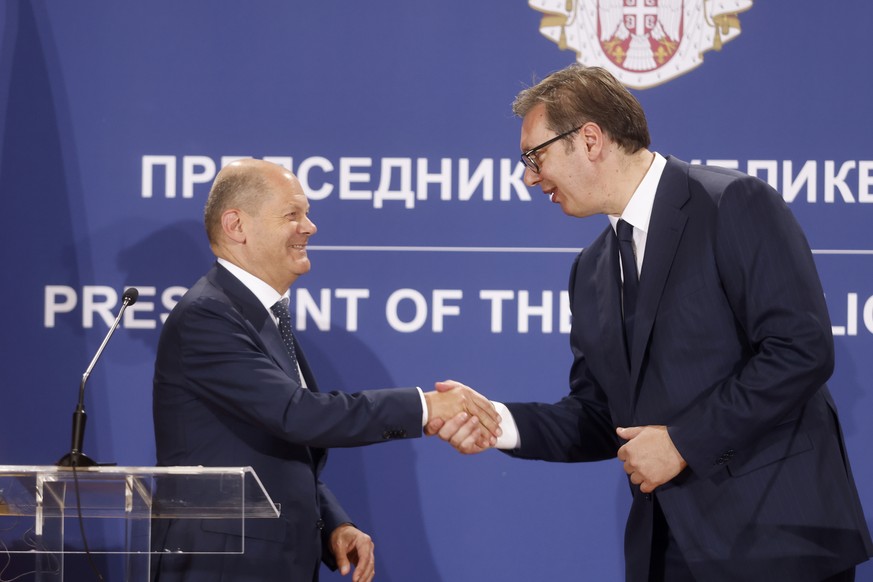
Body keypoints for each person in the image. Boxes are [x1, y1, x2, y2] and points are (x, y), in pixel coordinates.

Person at [428, 65, 873, 581]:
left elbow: (801, 349)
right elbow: (600, 417)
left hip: (776, 538)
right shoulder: (590, 270)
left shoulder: (731, 203)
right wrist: (498, 423)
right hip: (668, 553)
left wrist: (684, 442)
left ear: (589, 138)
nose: (529, 176)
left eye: (535, 156)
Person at [151, 158, 501, 582]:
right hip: (223, 566)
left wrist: (332, 523)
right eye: (292, 214)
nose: (310, 227)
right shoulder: (207, 316)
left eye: (307, 213)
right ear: (236, 225)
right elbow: (298, 415)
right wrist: (425, 407)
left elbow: (275, 447)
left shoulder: (258, 315)